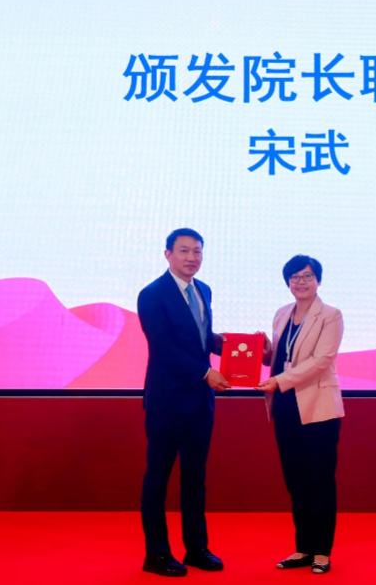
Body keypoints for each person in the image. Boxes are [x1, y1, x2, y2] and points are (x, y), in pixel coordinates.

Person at [138, 228, 229, 577]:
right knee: (158, 478)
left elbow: (199, 338)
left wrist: (235, 346)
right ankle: (157, 554)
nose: (192, 257)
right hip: (167, 402)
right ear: (168, 254)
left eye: (198, 251)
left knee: (195, 478)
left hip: (200, 403)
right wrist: (206, 372)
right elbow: (164, 347)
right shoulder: (152, 295)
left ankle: (196, 548)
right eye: (184, 251)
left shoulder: (203, 289)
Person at [257, 255, 345, 575]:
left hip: (318, 408)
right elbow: (282, 357)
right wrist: (264, 351)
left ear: (318, 280)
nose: (301, 282)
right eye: (295, 277)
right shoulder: (282, 313)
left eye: (307, 276)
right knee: (295, 480)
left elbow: (321, 360)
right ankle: (304, 547)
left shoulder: (331, 315)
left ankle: (322, 551)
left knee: (319, 479)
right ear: (288, 282)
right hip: (284, 405)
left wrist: (280, 380)